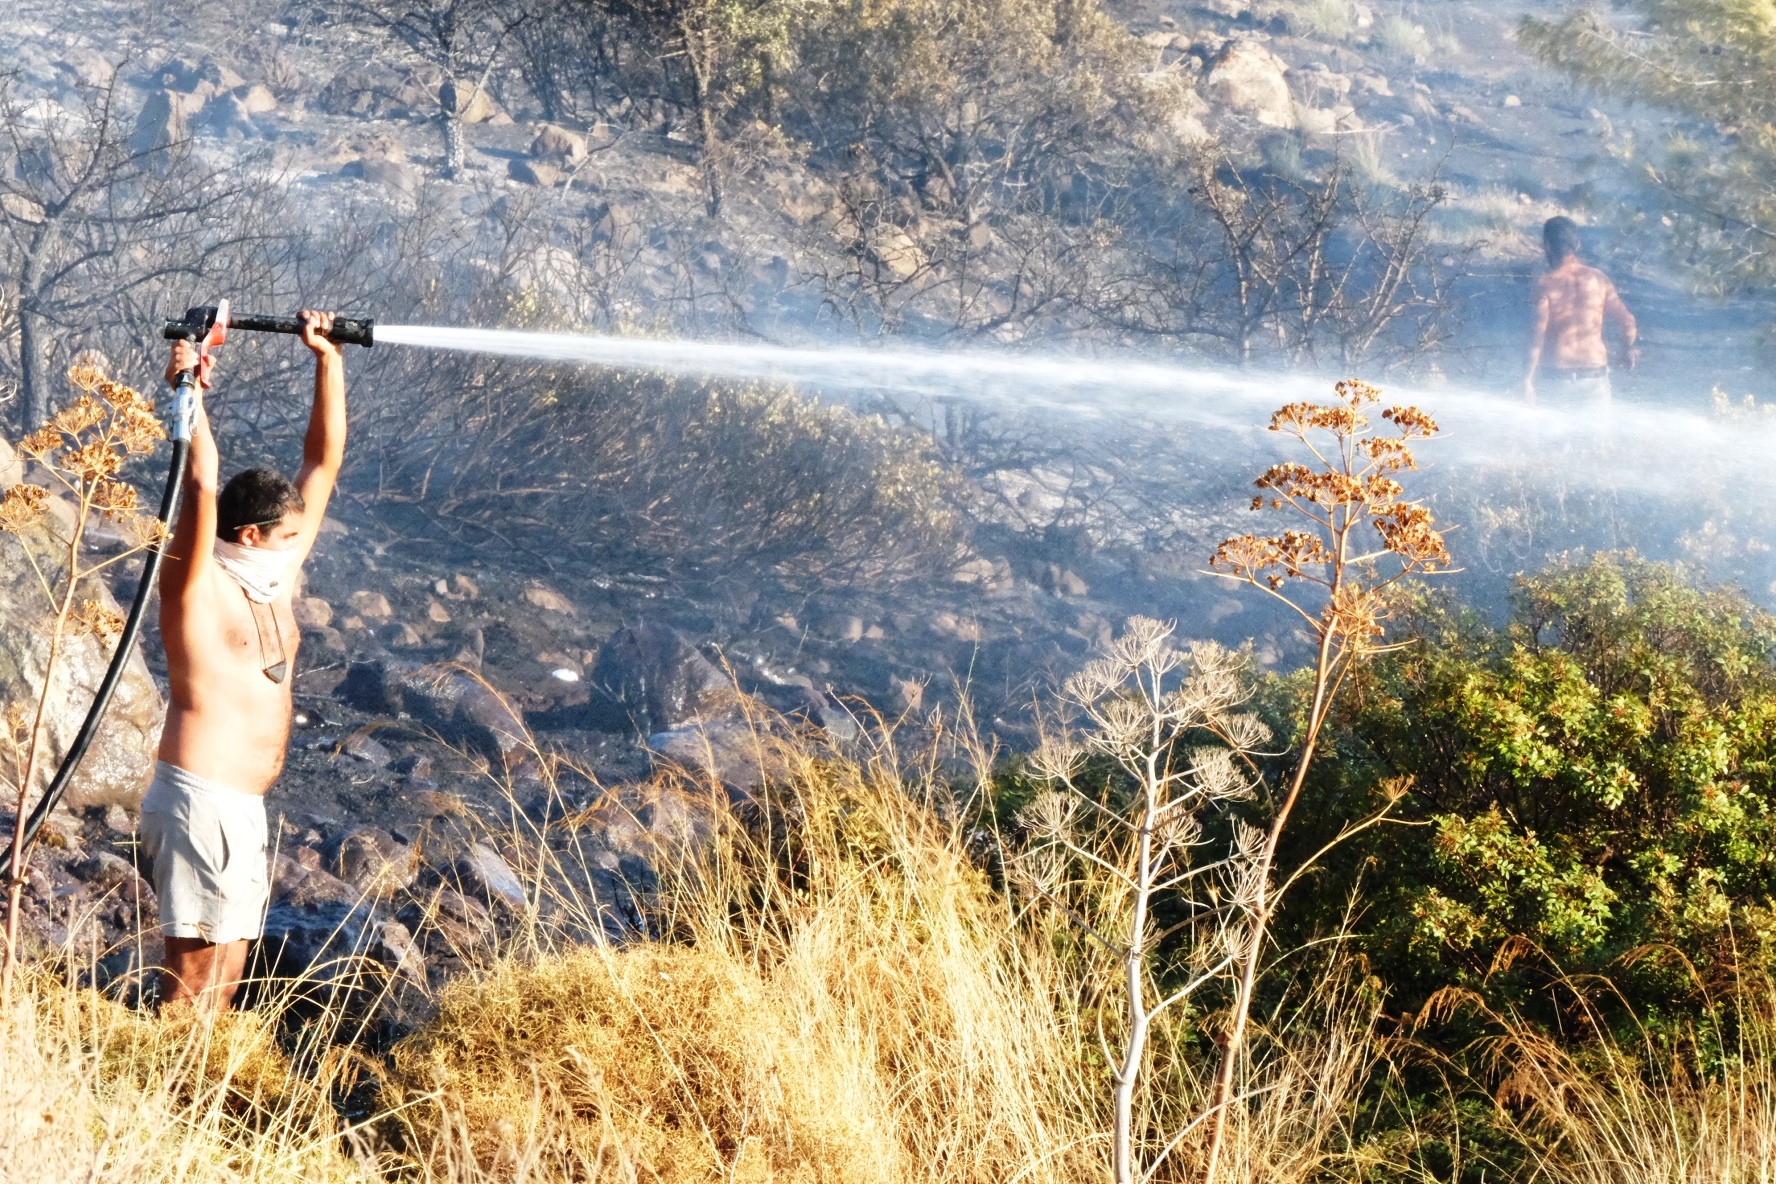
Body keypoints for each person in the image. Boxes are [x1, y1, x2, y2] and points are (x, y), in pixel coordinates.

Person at [143, 311, 346, 1009]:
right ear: (250, 534)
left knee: (226, 984)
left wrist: (327, 359)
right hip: (199, 797)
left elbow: (322, 462)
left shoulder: (274, 573)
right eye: (287, 533)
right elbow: (201, 484)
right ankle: (153, 1095)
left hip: (246, 807)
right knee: (191, 986)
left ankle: (196, 1106)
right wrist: (188, 392)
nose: (301, 542)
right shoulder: (196, 582)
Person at [1525, 216, 1639, 406]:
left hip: (1556, 379)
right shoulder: (1599, 279)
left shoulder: (1544, 284)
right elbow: (1628, 322)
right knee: (1597, 436)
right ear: (1577, 245)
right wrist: (1626, 350)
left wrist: (1527, 378)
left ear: (1547, 246)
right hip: (1594, 379)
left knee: (1552, 436)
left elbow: (1536, 334)